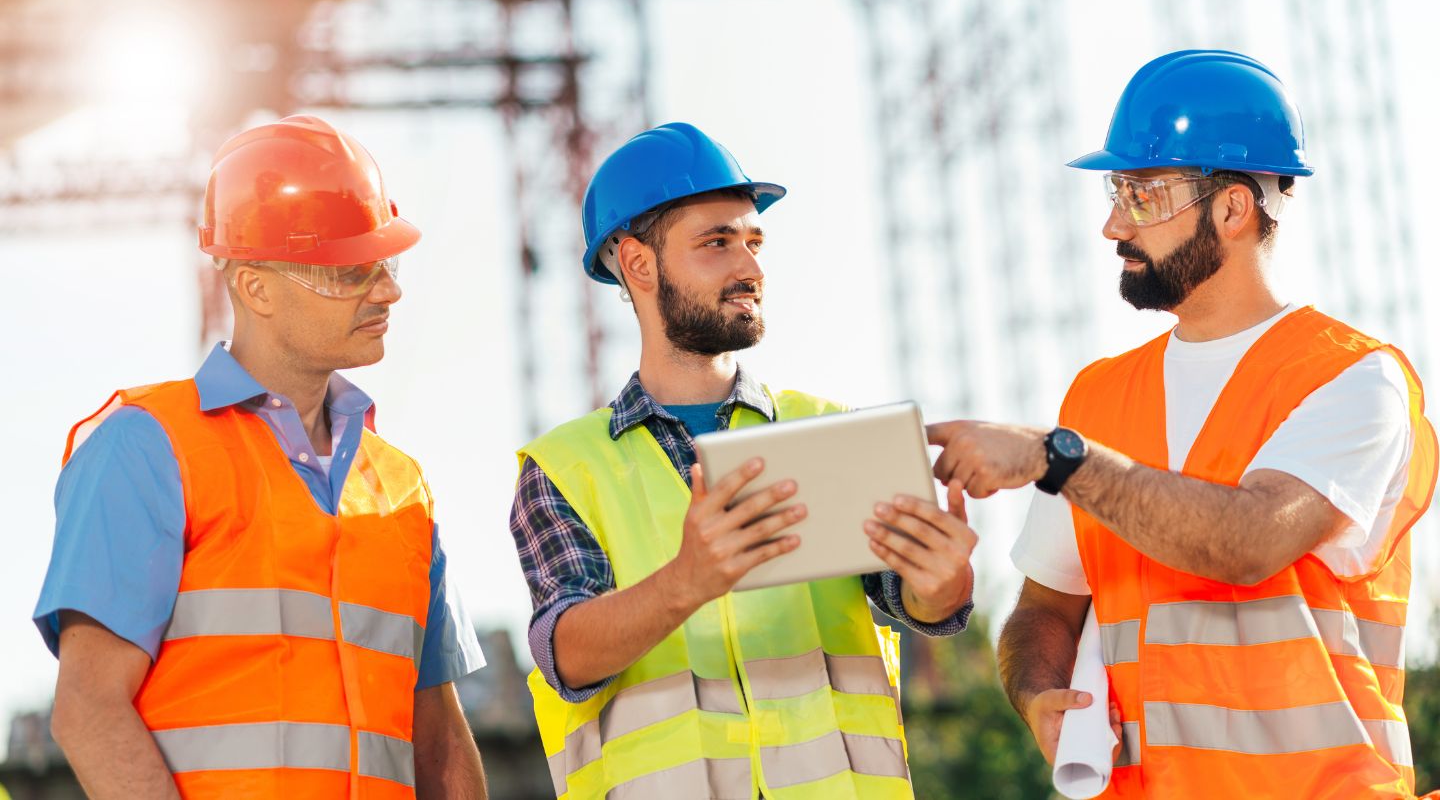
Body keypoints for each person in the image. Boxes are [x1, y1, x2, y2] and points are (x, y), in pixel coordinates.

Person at [926, 50, 1437, 798]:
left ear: (1231, 209)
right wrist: (1038, 694)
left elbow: (1247, 543)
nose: (1112, 224)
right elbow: (1045, 609)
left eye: (1142, 194)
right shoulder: (1098, 399)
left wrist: (1055, 458)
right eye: (1117, 191)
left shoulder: (1352, 378)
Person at [508, 122, 976, 799]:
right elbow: (567, 656)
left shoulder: (827, 429)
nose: (751, 268)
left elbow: (915, 599)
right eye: (717, 243)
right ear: (638, 264)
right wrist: (687, 581)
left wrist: (945, 579)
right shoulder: (564, 468)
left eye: (754, 242)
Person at [34, 116, 488, 799]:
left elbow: (440, 738)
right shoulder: (147, 447)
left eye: (387, 264)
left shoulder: (402, 488)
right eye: (350, 271)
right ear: (256, 288)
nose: (388, 291)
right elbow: (89, 709)